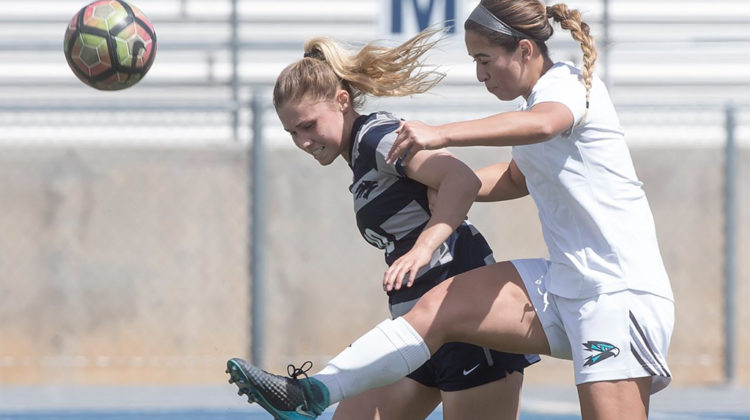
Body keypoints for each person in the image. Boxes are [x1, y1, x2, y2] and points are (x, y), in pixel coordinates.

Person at [226, 1, 675, 419]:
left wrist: (443, 136)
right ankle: (312, 394)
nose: (480, 75)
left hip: (617, 293)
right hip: (565, 281)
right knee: (439, 305)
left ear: (523, 49)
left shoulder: (566, 86)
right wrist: (453, 188)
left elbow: (544, 125)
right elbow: (519, 178)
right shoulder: (533, 104)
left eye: (483, 60)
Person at [229, 26, 539, 420]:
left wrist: (424, 247)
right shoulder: (360, 156)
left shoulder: (375, 136)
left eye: (308, 126)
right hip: (416, 327)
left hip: (467, 323)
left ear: (342, 101)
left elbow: (461, 180)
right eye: (293, 133)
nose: (303, 142)